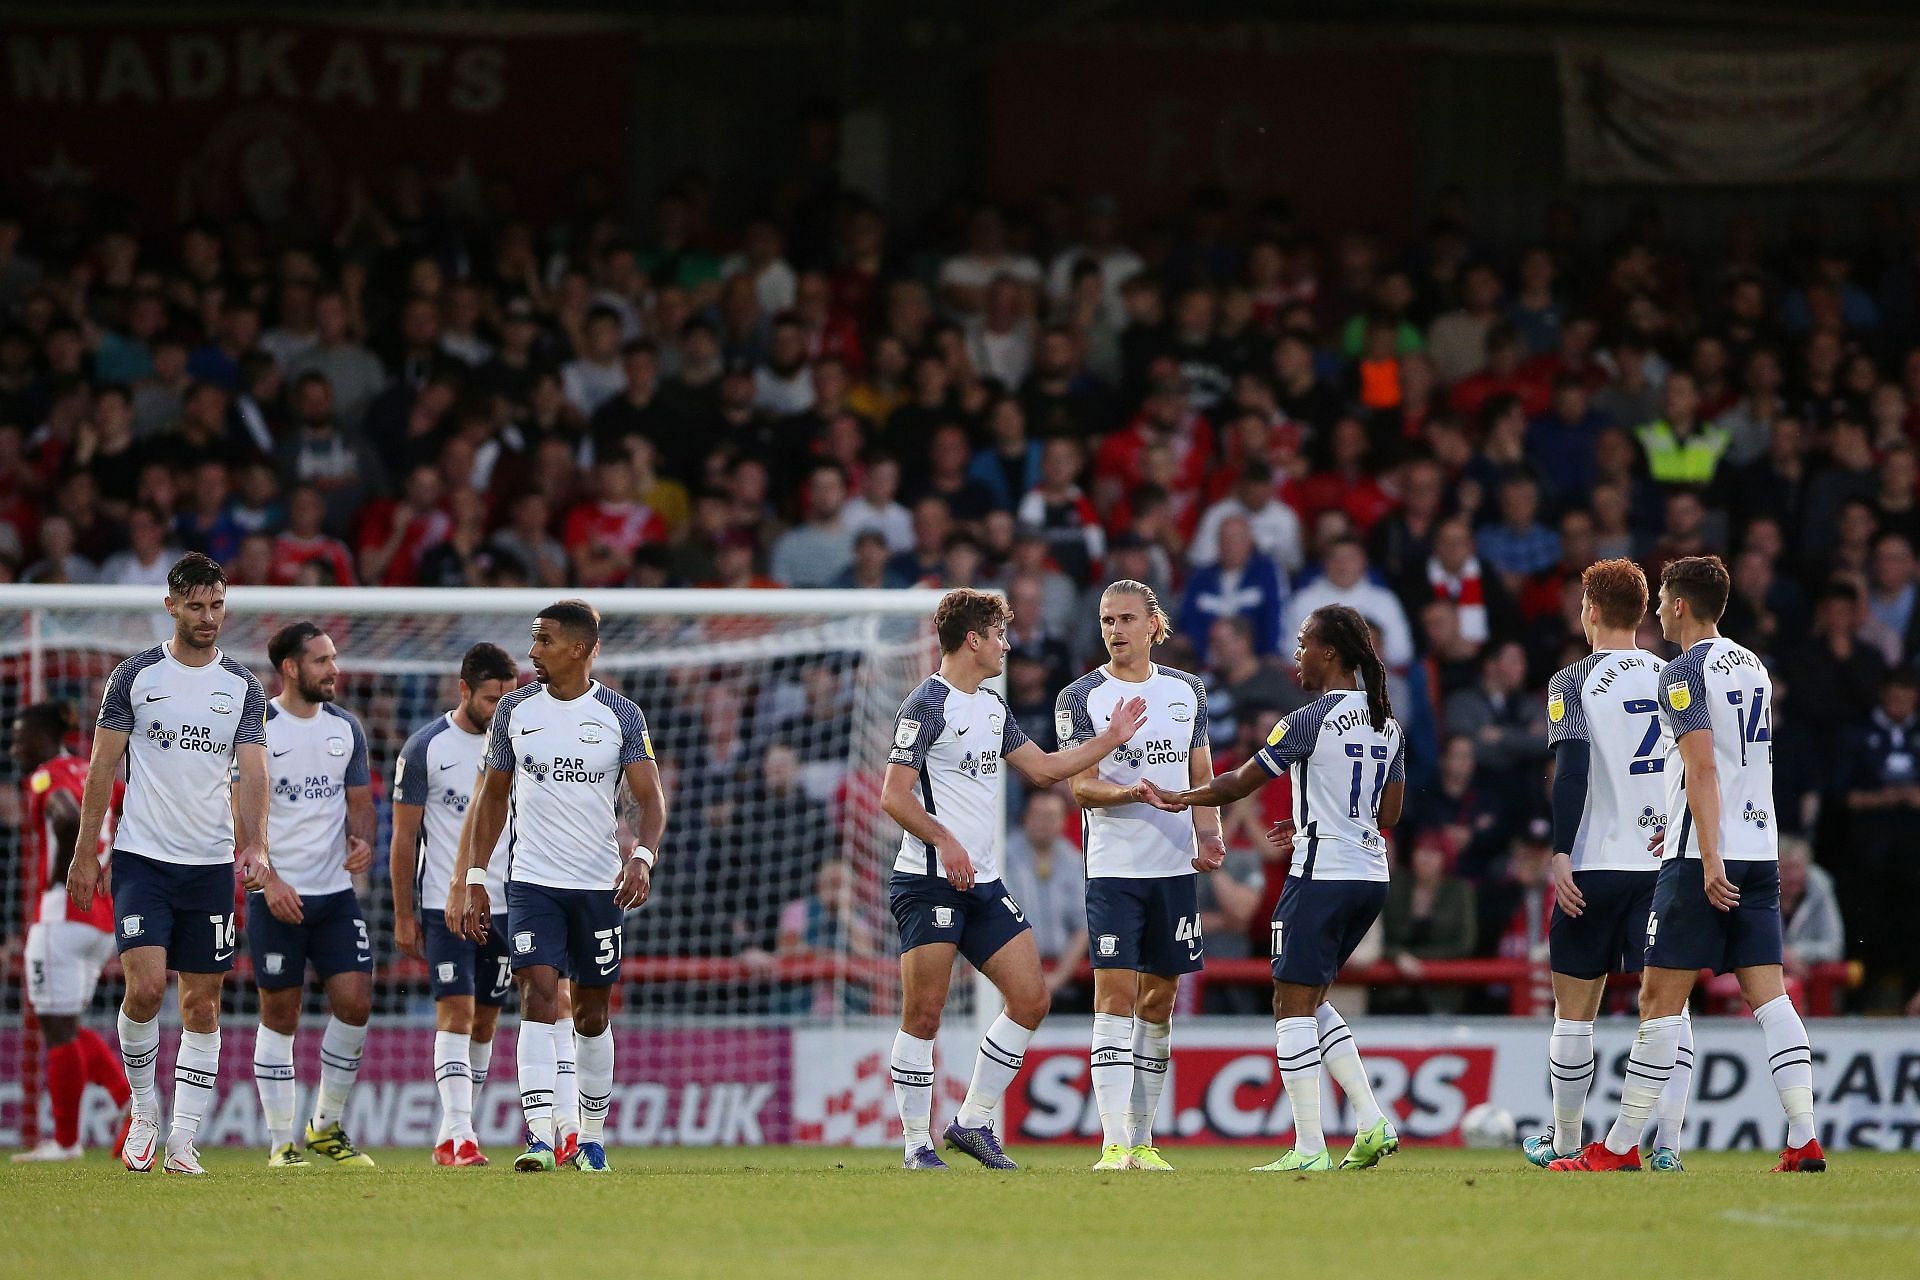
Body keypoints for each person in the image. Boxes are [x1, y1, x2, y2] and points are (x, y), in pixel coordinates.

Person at [1551, 556, 1824, 1174]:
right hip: (1762, 849)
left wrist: (1706, 859)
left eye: (1666, 599)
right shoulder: (1753, 665)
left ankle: (1618, 1148)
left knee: (1659, 999)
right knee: (1771, 999)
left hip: (1704, 853)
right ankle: (1805, 1136)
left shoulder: (1684, 671)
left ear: (1677, 605)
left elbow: (1701, 769)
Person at [882, 588, 1148, 1171]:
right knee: (923, 1015)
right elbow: (893, 796)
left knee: (1031, 999)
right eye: (999, 635)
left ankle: (972, 1123)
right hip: (928, 880)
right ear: (973, 640)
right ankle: (915, 1144)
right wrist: (945, 840)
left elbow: (1048, 769)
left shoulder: (993, 707)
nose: (1007, 644)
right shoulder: (925, 705)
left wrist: (1110, 740)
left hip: (982, 882)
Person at [1155, 604, 1406, 1173]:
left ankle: (1310, 1147)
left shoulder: (1308, 719)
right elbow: (1388, 812)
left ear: (1330, 654)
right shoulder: (1387, 722)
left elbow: (1240, 781)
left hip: (1321, 875)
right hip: (1369, 877)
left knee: (1289, 1005)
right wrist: (1318, 816)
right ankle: (1369, 1120)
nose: (1296, 655)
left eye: (1303, 644)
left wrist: (1183, 799)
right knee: (1312, 999)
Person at [67, 553, 275, 1175]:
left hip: (208, 864)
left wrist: (256, 843)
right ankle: (145, 1111)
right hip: (141, 858)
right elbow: (102, 768)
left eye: (216, 605)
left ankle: (183, 1139)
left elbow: (254, 770)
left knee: (203, 1006)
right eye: (195, 605)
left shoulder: (242, 686)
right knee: (147, 988)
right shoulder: (134, 676)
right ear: (171, 606)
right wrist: (87, 853)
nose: (208, 617)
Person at [449, 600, 667, 1174]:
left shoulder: (622, 715)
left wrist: (642, 856)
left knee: (592, 1013)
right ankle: (541, 1137)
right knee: (537, 995)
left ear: (579, 649)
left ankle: (592, 1138)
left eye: (543, 641)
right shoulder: (515, 711)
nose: (532, 652)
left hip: (598, 886)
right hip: (532, 882)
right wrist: (475, 877)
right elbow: (492, 798)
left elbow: (651, 800)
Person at [1521, 560, 1691, 1171]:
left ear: (1589, 611)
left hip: (1593, 865)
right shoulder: (1676, 674)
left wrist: (1561, 851)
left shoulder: (1572, 682)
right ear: (1644, 614)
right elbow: (1696, 768)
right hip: (1664, 864)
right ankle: (1666, 1145)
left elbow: (1570, 774)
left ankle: (1566, 1142)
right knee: (1669, 1007)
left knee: (1574, 1010)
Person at [1055, 581, 1223, 1171]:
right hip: (1113, 870)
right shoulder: (1079, 697)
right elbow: (1080, 785)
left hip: (1174, 869)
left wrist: (1210, 830)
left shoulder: (1187, 692)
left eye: (1127, 619)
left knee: (1160, 1000)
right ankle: (1112, 1142)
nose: (1115, 630)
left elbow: (1200, 766)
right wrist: (1131, 791)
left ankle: (1144, 1140)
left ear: (1154, 624)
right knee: (1114, 997)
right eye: (1106, 620)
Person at [247, 622, 378, 1169]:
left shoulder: (346, 728)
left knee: (355, 1003)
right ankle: (281, 1144)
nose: (334, 669)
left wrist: (363, 840)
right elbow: (241, 814)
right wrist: (268, 879)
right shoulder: (257, 729)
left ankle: (325, 1127)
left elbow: (361, 802)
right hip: (275, 894)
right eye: (322, 660)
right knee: (281, 1011)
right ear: (292, 669)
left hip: (333, 895)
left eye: (334, 658)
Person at [391, 643, 521, 1167]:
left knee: (486, 1023)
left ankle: (451, 1134)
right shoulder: (426, 747)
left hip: (508, 904)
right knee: (457, 1012)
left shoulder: (517, 746)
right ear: (463, 690)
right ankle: (464, 1136)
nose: (500, 710)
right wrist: (402, 914)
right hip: (441, 905)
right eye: (492, 699)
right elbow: (403, 839)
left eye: (507, 699)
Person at [10, 702, 130, 1163]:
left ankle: (67, 1141)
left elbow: (62, 817)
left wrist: (61, 878)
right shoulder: (96, 773)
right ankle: (129, 1106)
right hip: (101, 919)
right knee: (66, 1024)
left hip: (63, 915)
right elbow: (131, 811)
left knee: (57, 1028)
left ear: (43, 736)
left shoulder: (45, 776)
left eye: (21, 734)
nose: (16, 745)